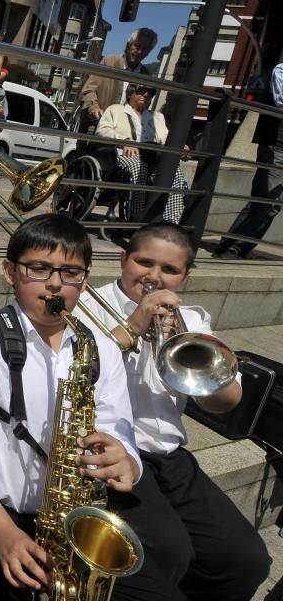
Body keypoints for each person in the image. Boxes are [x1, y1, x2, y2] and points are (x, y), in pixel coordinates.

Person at [0, 213, 170, 600]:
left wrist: (126, 460)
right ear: (10, 271)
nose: (55, 283)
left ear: (84, 281)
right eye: (39, 269)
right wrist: (5, 532)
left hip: (71, 518)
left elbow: (119, 427)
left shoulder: (101, 347)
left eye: (71, 273)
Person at [77, 222, 270, 601]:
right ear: (122, 259)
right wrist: (134, 323)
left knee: (246, 560)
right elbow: (78, 372)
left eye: (169, 270)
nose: (153, 276)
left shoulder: (192, 320)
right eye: (143, 262)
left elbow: (226, 401)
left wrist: (189, 350)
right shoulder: (89, 305)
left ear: (185, 275)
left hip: (169, 456)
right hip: (111, 453)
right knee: (169, 551)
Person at [214, 60, 283, 259]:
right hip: (276, 144)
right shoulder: (280, 69)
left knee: (275, 205)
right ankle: (229, 246)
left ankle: (243, 247)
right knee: (263, 199)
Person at [96, 83, 189, 223]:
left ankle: (170, 221)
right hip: (124, 154)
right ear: (130, 94)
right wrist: (125, 141)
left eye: (150, 92)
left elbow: (165, 138)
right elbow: (102, 130)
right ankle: (137, 216)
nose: (146, 95)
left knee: (174, 171)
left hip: (152, 155)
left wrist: (180, 147)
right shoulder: (115, 110)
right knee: (139, 167)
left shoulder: (157, 116)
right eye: (141, 90)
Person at [80, 28, 159, 131]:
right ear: (128, 45)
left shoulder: (146, 76)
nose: (140, 51)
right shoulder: (109, 62)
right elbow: (88, 90)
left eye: (145, 49)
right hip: (97, 127)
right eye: (137, 46)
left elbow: (142, 107)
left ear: (149, 52)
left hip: (124, 133)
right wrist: (94, 107)